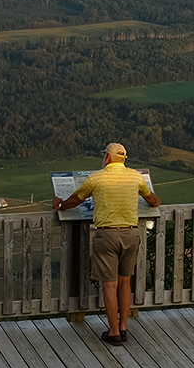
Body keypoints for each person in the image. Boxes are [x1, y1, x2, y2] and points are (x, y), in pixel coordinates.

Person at [52, 143, 161, 346]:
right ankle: (123, 328)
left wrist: (60, 204)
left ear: (108, 158)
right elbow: (151, 199)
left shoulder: (96, 177)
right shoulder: (136, 177)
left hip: (108, 234)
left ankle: (113, 333)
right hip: (131, 233)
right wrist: (155, 201)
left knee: (110, 285)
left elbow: (76, 199)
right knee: (125, 282)